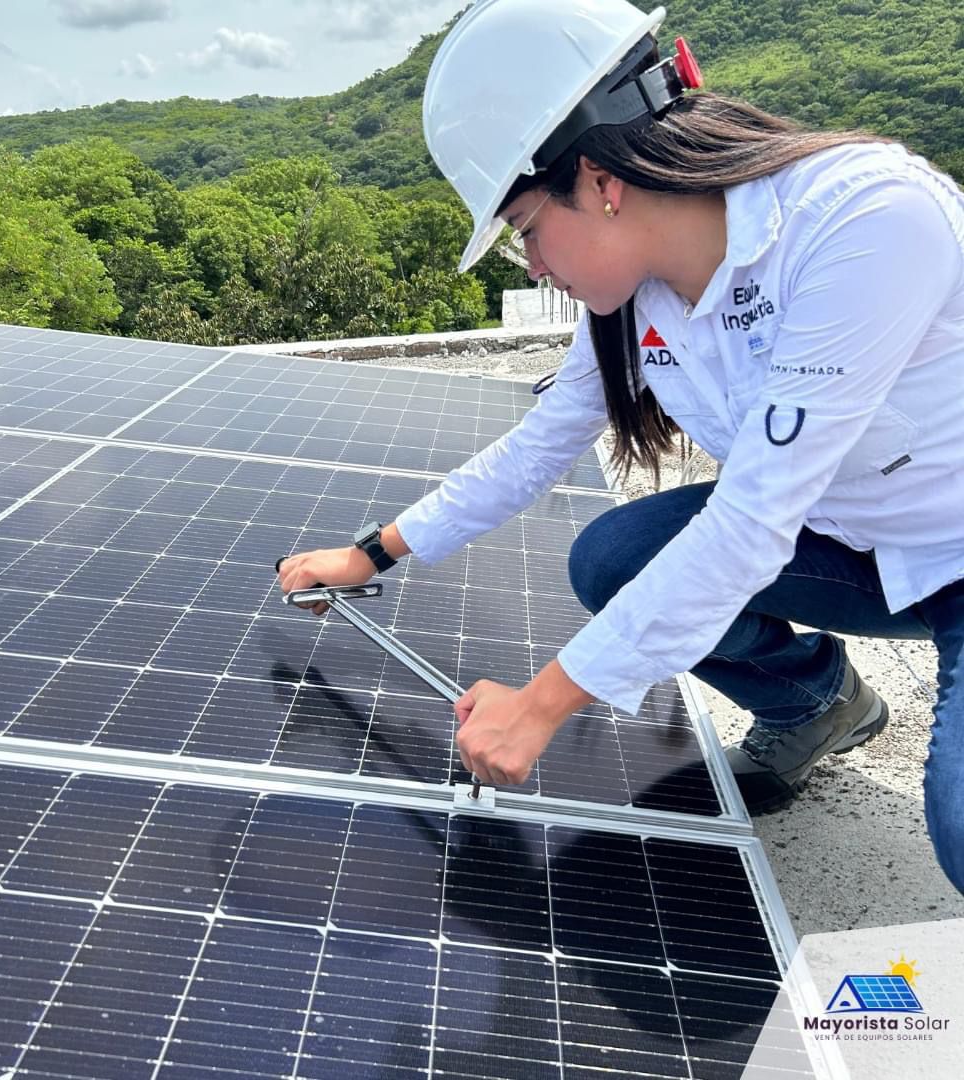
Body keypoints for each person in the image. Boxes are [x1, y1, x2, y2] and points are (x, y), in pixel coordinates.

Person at [277, 0, 964, 894]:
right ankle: (817, 701)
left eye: (525, 228)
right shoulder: (639, 297)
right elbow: (534, 450)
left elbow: (753, 519)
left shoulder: (864, 220)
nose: (528, 264)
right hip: (860, 547)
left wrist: (543, 704)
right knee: (617, 558)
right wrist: (373, 553)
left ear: (600, 181)